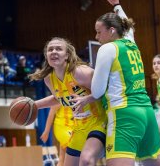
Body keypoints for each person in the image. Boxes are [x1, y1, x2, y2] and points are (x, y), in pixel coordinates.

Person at [71, 0, 160, 166]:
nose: (97, 37)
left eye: (99, 32)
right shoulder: (130, 41)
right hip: (146, 112)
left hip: (124, 114)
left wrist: (86, 98)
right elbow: (128, 25)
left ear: (112, 30)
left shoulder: (108, 49)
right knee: (155, 164)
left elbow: (97, 91)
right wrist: (117, 5)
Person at [29, 37, 107, 166]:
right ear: (46, 55)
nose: (53, 51)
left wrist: (87, 99)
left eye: (58, 49)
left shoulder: (81, 72)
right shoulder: (49, 79)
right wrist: (34, 105)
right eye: (50, 49)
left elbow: (106, 89)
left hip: (99, 122)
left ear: (67, 55)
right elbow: (58, 98)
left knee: (86, 160)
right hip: (79, 127)